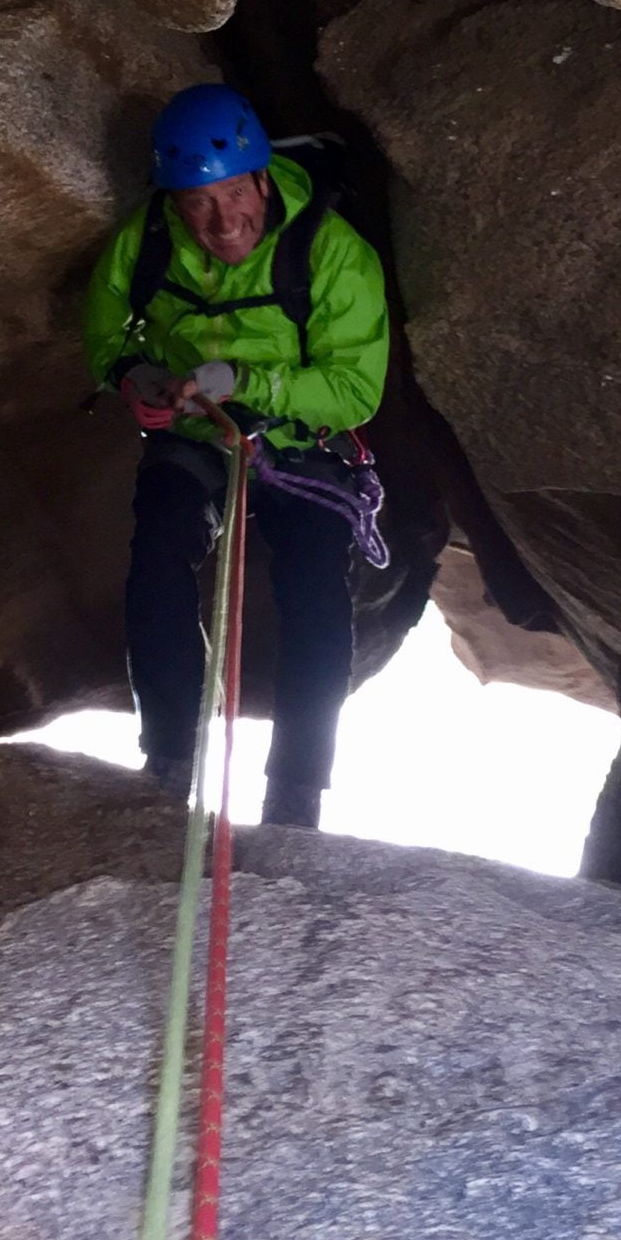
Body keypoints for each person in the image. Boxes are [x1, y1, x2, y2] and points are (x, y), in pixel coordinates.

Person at [83, 83, 389, 829]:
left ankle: (296, 793)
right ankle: (170, 759)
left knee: (315, 588)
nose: (223, 223)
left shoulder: (331, 252)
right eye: (199, 203)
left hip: (297, 443)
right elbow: (105, 333)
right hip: (196, 434)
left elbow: (355, 391)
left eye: (234, 196)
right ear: (174, 201)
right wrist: (134, 377)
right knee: (158, 553)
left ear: (261, 179)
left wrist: (250, 382)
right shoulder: (146, 240)